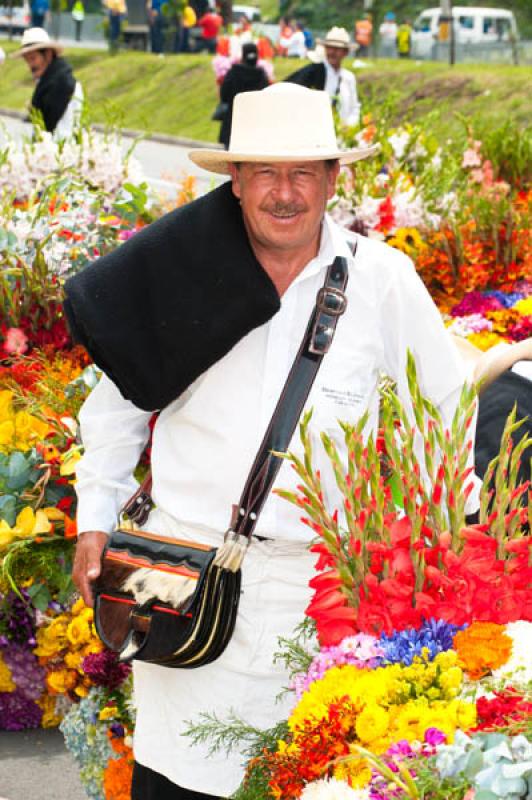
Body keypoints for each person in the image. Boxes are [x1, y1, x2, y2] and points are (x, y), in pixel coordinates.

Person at [67, 82, 479, 799]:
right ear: (235, 181)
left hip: (317, 605)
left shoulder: (383, 282)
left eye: (302, 174)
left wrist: (443, 549)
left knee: (302, 780)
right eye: (264, 173)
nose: (284, 194)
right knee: (177, 779)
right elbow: (115, 412)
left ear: (331, 178)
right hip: (180, 585)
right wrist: (95, 518)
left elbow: (441, 418)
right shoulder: (179, 271)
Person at [12, 27, 83, 139]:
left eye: (33, 59)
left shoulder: (61, 83)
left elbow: (48, 127)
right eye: (27, 61)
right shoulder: (50, 81)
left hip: (60, 150)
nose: (31, 66)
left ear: (48, 54)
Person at [285, 27, 361, 127]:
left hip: (343, 132)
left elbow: (354, 107)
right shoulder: (313, 72)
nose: (332, 52)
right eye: (329, 48)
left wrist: (349, 126)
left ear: (345, 52)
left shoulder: (348, 78)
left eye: (337, 49)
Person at [217, 42, 269, 149]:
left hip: (234, 118)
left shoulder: (234, 71)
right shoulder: (261, 74)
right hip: (254, 120)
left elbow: (224, 94)